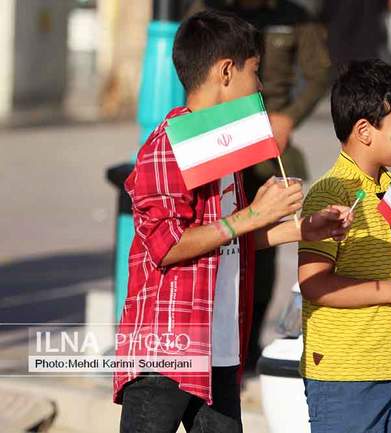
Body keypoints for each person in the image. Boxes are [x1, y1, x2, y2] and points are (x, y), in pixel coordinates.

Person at [113, 10, 352, 433]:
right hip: (168, 345)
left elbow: (229, 239)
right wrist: (252, 215)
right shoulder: (170, 145)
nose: (259, 86)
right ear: (226, 72)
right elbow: (166, 245)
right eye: (254, 72)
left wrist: (299, 229)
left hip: (219, 345)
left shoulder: (225, 148)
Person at [297, 59, 391, 433]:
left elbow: (381, 273)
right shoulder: (331, 193)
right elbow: (314, 284)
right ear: (364, 130)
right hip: (346, 377)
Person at [199, 0, 332, 368]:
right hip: (218, 133)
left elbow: (319, 72)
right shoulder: (209, 10)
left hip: (267, 141)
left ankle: (248, 340)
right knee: (210, 231)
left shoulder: (295, 17)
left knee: (262, 250)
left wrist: (288, 117)